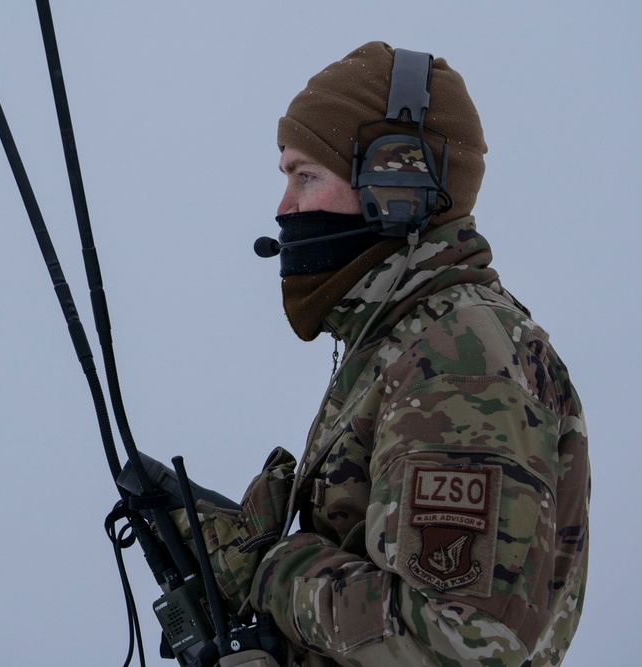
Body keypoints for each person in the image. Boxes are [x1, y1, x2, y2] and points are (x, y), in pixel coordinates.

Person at [197, 41, 590, 667]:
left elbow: (461, 645)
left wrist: (276, 568)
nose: (283, 209)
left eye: (305, 176)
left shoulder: (458, 358)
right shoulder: (405, 336)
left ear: (396, 185)